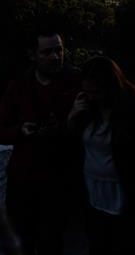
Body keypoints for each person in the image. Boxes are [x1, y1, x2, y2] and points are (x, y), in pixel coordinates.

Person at [67, 57, 135, 255]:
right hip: (93, 196)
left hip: (126, 197)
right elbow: (70, 146)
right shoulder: (86, 109)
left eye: (96, 92)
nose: (92, 97)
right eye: (87, 92)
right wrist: (72, 116)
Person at [0, 32, 81, 255]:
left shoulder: (75, 82)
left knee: (51, 244)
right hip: (23, 185)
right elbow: (1, 128)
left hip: (58, 184)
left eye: (59, 50)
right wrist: (20, 130)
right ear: (32, 56)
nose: (56, 56)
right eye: (48, 52)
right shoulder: (18, 86)